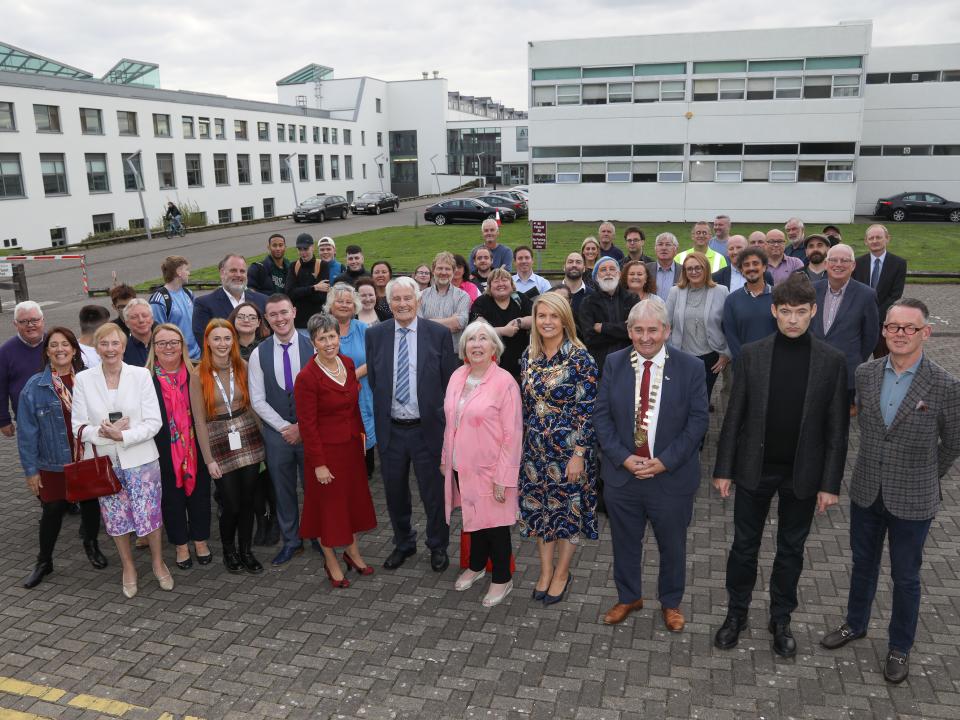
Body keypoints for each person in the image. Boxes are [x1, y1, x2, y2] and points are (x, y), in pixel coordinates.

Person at [820, 298, 960, 684]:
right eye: (893, 327)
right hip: (866, 490)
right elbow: (866, 425)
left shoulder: (946, 385)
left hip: (914, 498)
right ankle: (855, 624)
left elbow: (952, 443)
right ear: (883, 331)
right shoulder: (865, 373)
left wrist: (928, 476)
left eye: (909, 328)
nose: (900, 334)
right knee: (862, 565)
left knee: (906, 576)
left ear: (926, 333)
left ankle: (900, 646)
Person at [712, 276, 848, 656]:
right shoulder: (753, 354)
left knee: (791, 550)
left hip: (802, 474)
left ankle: (781, 619)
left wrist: (830, 484)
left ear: (813, 312)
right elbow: (734, 416)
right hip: (755, 468)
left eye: (800, 312)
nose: (792, 320)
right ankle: (735, 615)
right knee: (743, 547)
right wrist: (724, 469)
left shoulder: (832, 361)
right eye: (785, 312)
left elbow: (837, 429)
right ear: (774, 311)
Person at [594, 298, 709, 629]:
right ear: (629, 331)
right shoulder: (614, 363)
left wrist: (665, 462)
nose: (646, 337)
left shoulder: (690, 367)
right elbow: (601, 415)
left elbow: (698, 421)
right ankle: (629, 596)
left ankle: (671, 603)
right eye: (639, 330)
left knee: (672, 546)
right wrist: (623, 457)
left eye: (653, 330)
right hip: (623, 476)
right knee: (624, 542)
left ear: (667, 331)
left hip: (669, 477)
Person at [365, 276, 458, 571]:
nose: (402, 304)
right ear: (388, 303)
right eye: (397, 299)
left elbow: (449, 383)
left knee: (433, 493)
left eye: (408, 298)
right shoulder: (375, 335)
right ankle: (403, 543)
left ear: (418, 301)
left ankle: (438, 545)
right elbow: (377, 382)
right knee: (395, 493)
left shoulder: (437, 334)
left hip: (427, 430)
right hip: (392, 429)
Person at [71, 323, 167, 598]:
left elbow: (154, 423)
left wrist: (123, 436)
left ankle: (158, 563)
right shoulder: (84, 380)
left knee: (150, 514)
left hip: (141, 459)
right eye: (104, 344)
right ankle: (129, 567)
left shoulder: (140, 376)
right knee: (116, 518)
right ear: (96, 348)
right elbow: (78, 427)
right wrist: (105, 435)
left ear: (123, 347)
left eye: (115, 344)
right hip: (106, 464)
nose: (110, 349)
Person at [519, 292, 599, 606]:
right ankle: (544, 571)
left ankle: (562, 573)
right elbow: (526, 406)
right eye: (542, 316)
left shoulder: (580, 358)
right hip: (536, 452)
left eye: (554, 316)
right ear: (535, 320)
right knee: (540, 512)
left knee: (567, 513)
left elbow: (588, 409)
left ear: (565, 319)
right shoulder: (528, 356)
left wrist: (579, 453)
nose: (547, 322)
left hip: (569, 453)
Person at [17, 327, 108, 589]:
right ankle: (44, 561)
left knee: (91, 504)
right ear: (46, 351)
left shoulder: (89, 380)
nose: (60, 350)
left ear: (74, 349)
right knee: (53, 510)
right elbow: (26, 434)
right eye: (54, 345)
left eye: (65, 344)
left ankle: (91, 544)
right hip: (53, 460)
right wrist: (31, 471)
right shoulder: (35, 387)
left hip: (87, 455)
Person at [442, 320, 523, 607]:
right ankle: (476, 566)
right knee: (473, 519)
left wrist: (504, 477)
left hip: (491, 469)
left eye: (483, 339)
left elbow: (512, 435)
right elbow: (450, 423)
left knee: (496, 525)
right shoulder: (457, 376)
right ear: (464, 347)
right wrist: (445, 460)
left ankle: (502, 578)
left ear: (494, 347)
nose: (477, 344)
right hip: (460, 465)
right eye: (471, 339)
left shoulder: (505, 382)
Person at [295, 313, 378, 588]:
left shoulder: (348, 362)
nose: (329, 342)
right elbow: (307, 426)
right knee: (328, 509)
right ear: (313, 342)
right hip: (325, 455)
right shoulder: (307, 377)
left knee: (350, 503)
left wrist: (362, 438)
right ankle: (330, 559)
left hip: (351, 448)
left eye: (332, 336)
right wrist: (318, 463)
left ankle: (352, 552)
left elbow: (353, 406)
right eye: (322, 338)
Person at [191, 319, 266, 574]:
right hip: (217, 437)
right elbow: (199, 421)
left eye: (227, 338)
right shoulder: (198, 373)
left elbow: (255, 406)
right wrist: (208, 459)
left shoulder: (242, 366)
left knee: (248, 501)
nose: (222, 344)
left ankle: (246, 551)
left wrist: (267, 440)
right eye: (217, 339)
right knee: (231, 503)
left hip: (247, 433)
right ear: (208, 342)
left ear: (233, 341)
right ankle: (228, 550)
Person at [248, 295, 315, 566]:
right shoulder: (258, 353)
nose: (280, 319)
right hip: (277, 436)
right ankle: (291, 541)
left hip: (310, 431)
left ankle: (318, 537)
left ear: (294, 311)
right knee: (283, 490)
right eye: (273, 315)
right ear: (266, 318)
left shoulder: (313, 344)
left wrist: (303, 426)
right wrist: (286, 427)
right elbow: (257, 399)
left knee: (314, 488)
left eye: (284, 312)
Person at [146, 324, 211, 571]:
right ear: (154, 348)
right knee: (171, 499)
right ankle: (181, 545)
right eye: (162, 343)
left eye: (174, 342)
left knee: (200, 495)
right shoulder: (146, 378)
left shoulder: (198, 373)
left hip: (196, 446)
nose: (168, 347)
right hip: (163, 449)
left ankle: (200, 540)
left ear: (182, 345)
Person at [812, 244, 879, 406]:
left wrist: (855, 358)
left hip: (846, 372)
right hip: (813, 369)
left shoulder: (866, 295)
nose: (838, 264)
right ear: (826, 264)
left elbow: (870, 336)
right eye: (833, 260)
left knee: (841, 422)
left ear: (853, 265)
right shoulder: (812, 290)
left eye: (845, 260)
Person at [665, 252, 731, 403]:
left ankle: (699, 426)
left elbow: (730, 326)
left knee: (702, 399)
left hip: (710, 357)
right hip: (682, 356)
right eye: (689, 269)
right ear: (685, 272)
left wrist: (726, 353)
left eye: (698, 268)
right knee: (681, 398)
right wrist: (668, 352)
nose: (693, 272)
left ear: (706, 269)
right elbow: (665, 324)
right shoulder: (675, 291)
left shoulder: (721, 291)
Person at [326, 283, 377, 477]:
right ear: (331, 305)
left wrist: (351, 377)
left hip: (363, 396)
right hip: (332, 398)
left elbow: (374, 360)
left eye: (349, 302)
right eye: (339, 301)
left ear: (355, 306)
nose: (345, 305)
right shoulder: (323, 329)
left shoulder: (365, 330)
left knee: (365, 458)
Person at [852, 224, 907, 359]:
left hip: (884, 323)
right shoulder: (857, 263)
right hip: (860, 322)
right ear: (866, 241)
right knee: (857, 358)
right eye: (871, 238)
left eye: (879, 237)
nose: (875, 241)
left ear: (887, 239)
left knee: (883, 360)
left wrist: (875, 315)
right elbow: (855, 290)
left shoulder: (899, 263)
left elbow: (895, 294)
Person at [469, 268, 532, 382]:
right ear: (489, 286)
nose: (501, 284)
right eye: (496, 281)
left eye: (504, 280)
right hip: (490, 365)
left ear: (511, 284)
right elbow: (478, 328)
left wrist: (519, 321)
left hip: (520, 365)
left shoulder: (520, 298)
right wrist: (503, 331)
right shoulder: (482, 302)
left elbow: (534, 319)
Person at [579, 257, 640, 375]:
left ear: (619, 274)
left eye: (612, 269)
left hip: (629, 364)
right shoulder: (587, 303)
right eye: (603, 270)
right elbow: (590, 338)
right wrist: (623, 329)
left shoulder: (632, 299)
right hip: (600, 367)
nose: (608, 272)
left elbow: (635, 332)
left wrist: (603, 328)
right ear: (596, 276)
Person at [192, 254, 269, 341]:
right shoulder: (204, 304)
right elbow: (204, 341)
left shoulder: (263, 301)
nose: (238, 275)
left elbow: (269, 336)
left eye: (242, 271)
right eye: (233, 270)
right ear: (222, 273)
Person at [722, 247, 778, 361]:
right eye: (746, 265)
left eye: (755, 263)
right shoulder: (732, 300)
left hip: (775, 363)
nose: (751, 268)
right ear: (741, 270)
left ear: (764, 267)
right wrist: (743, 361)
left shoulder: (779, 296)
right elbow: (731, 335)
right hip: (744, 365)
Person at [1, 301, 47, 437]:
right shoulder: (5, 352)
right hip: (27, 420)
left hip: (61, 415)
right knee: (31, 457)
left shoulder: (56, 344)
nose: (30, 325)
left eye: (34, 320)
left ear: (43, 320)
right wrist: (3, 420)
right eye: (23, 322)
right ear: (15, 324)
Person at [149, 255, 200, 360]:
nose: (189, 273)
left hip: (198, 357)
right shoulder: (159, 300)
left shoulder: (188, 293)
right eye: (187, 269)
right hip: (177, 359)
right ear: (178, 272)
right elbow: (158, 333)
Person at [418, 252, 471, 350]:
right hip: (427, 351)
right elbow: (419, 326)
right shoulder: (420, 296)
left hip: (453, 353)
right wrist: (450, 320)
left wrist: (428, 322)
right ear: (433, 270)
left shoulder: (463, 296)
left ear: (453, 271)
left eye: (447, 269)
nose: (443, 272)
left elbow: (459, 323)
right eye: (440, 268)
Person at [285, 234, 331, 329]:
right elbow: (289, 293)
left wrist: (300, 293)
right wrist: (314, 288)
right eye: (300, 249)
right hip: (298, 324)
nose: (303, 252)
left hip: (317, 323)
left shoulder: (322, 265)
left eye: (305, 249)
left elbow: (321, 297)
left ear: (312, 247)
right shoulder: (293, 266)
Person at [647, 233, 682, 303]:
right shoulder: (646, 269)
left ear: (676, 249)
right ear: (655, 249)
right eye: (660, 244)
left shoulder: (684, 271)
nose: (664, 248)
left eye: (668, 244)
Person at [122, 299, 156, 367]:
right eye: (134, 317)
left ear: (152, 319)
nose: (141, 320)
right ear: (126, 323)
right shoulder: (123, 350)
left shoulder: (165, 344)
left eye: (145, 315)